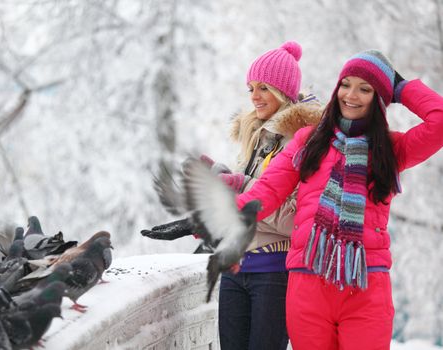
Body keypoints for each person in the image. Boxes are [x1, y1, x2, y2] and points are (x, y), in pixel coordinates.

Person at [235, 49, 443, 350]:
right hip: (308, 286)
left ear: (380, 99)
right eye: (346, 84)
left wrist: (401, 87)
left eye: (366, 88)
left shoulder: (391, 149)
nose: (351, 95)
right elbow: (266, 191)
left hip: (366, 287)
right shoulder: (309, 141)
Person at [142, 41, 322, 350]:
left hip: (273, 273)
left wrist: (239, 187)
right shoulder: (254, 139)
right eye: (250, 87)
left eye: (263, 87)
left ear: (282, 91)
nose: (254, 96)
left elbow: (295, 220)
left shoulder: (303, 143)